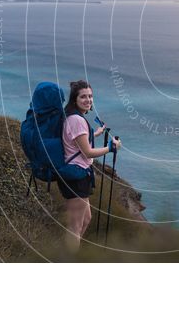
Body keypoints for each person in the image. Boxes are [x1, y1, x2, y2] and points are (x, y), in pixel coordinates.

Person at [60, 79, 122, 252]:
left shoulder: (73, 117)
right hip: (76, 176)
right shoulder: (77, 120)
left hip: (79, 174)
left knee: (86, 219)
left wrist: (96, 132)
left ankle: (70, 252)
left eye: (90, 96)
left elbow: (78, 141)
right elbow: (87, 152)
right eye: (83, 97)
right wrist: (110, 148)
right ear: (75, 99)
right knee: (75, 226)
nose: (88, 100)